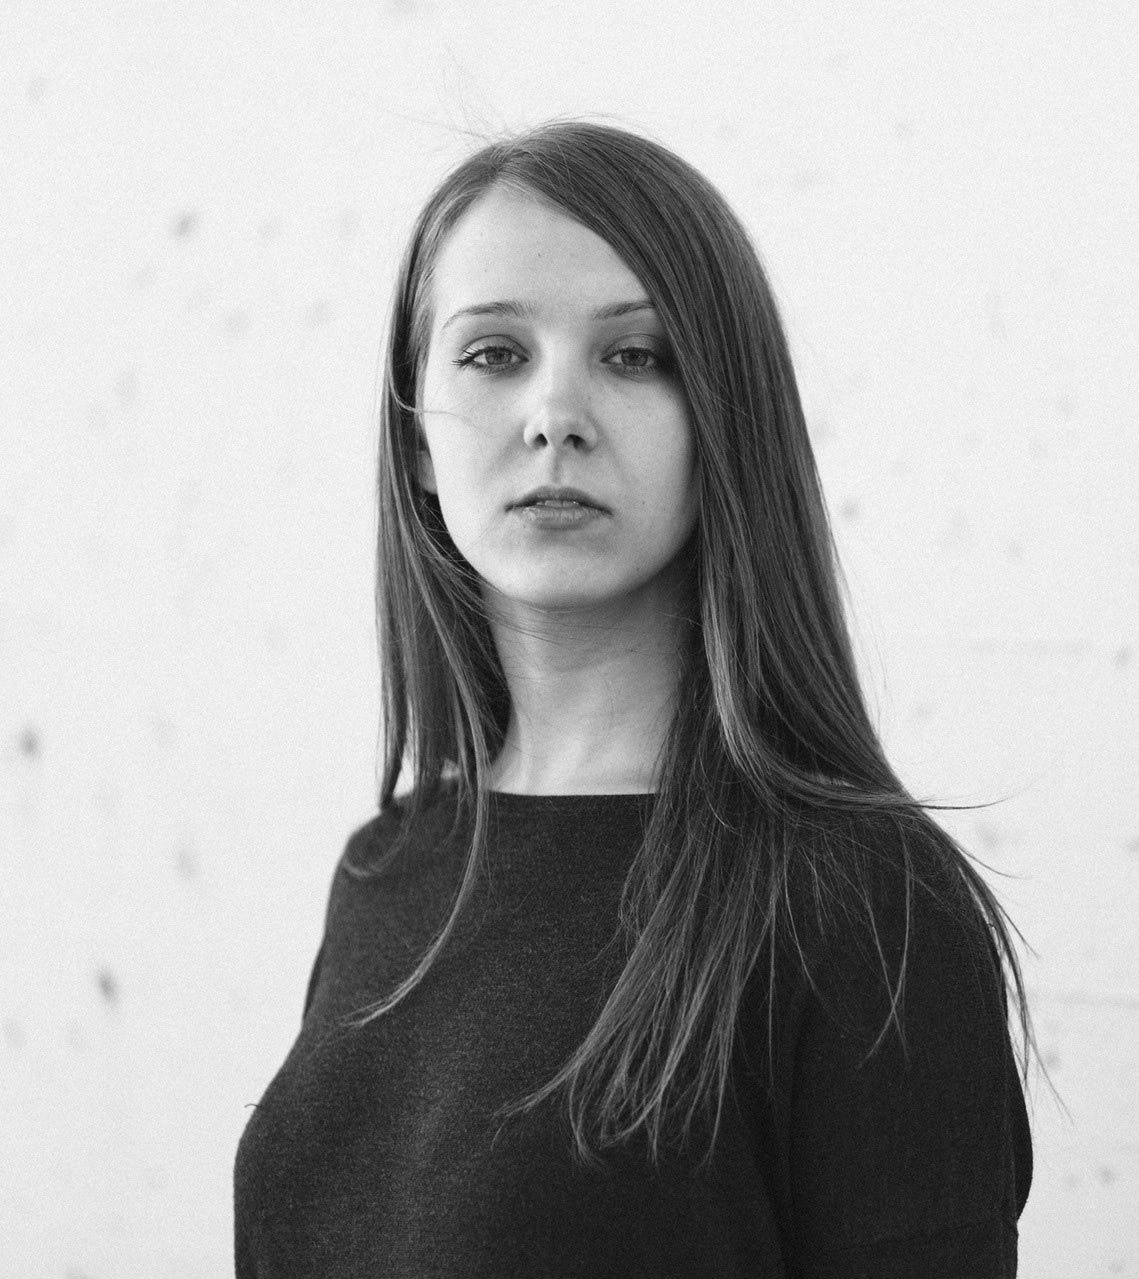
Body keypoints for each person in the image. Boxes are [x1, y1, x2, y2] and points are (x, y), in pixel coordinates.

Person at [234, 119, 1034, 1277]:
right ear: (414, 441)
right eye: (492, 353)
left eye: (634, 355)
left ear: (724, 424)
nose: (554, 414)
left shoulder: (859, 908)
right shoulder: (386, 868)